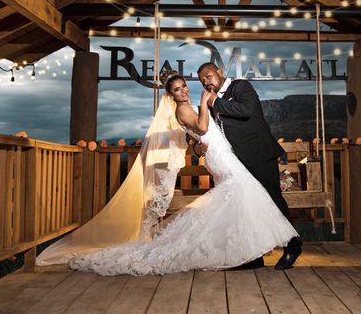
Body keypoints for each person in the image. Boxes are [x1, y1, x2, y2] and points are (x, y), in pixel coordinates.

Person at [36, 70, 298, 276]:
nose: (183, 90)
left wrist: (198, 142)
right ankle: (255, 250)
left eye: (184, 85)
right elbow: (202, 127)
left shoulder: (228, 91)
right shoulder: (185, 108)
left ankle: (247, 253)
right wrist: (206, 105)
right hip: (222, 158)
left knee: (239, 201)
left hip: (225, 154)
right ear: (170, 94)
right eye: (177, 89)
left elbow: (201, 134)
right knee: (243, 194)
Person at [197, 62, 303, 270]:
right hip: (237, 162)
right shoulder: (211, 102)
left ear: (220, 73)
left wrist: (215, 101)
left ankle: (293, 245)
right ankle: (254, 255)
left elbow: (246, 110)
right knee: (249, 207)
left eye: (209, 76)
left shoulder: (241, 87)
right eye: (202, 80)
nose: (206, 82)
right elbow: (207, 130)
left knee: (273, 199)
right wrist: (197, 148)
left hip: (259, 154)